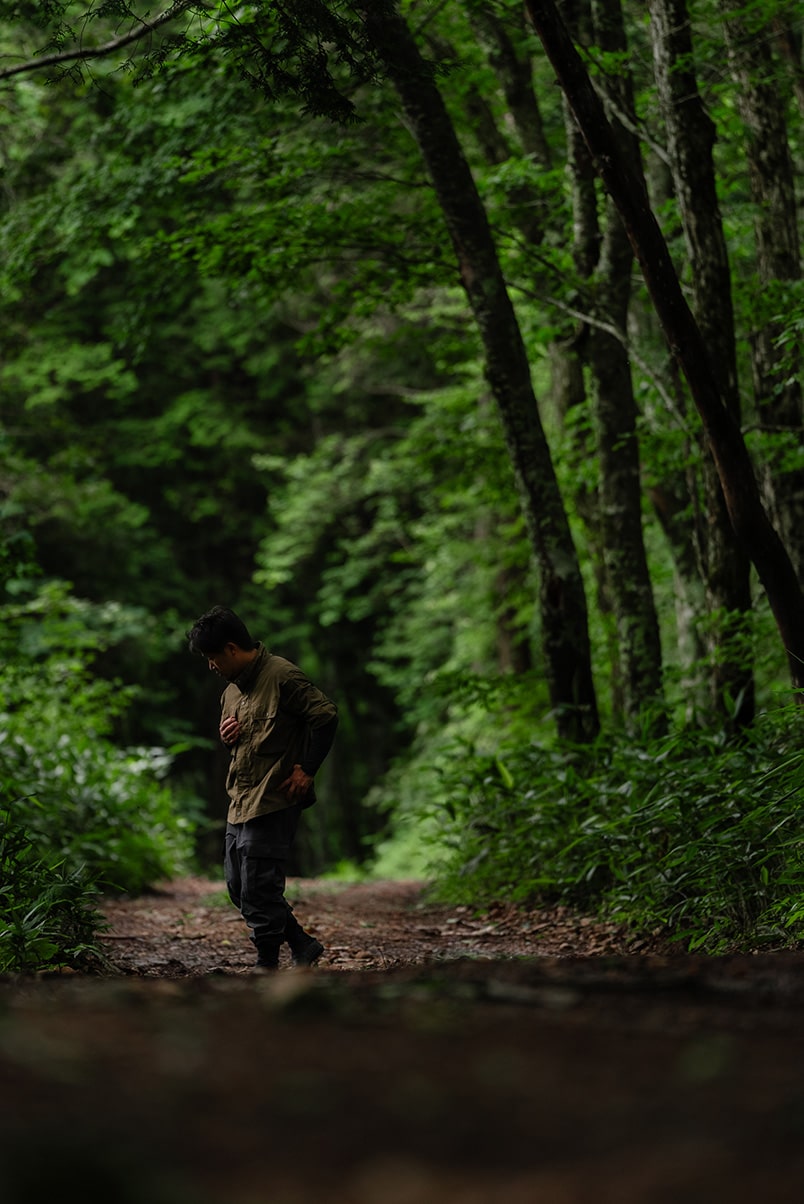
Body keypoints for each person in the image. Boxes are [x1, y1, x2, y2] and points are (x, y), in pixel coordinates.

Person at [187, 605, 338, 971]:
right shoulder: (230, 693)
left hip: (274, 797)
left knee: (258, 886)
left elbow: (325, 716)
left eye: (212, 657)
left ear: (232, 649)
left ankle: (266, 963)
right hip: (240, 799)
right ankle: (302, 944)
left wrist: (307, 769)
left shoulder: (282, 675)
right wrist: (227, 738)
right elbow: (242, 744)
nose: (211, 666)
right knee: (238, 887)